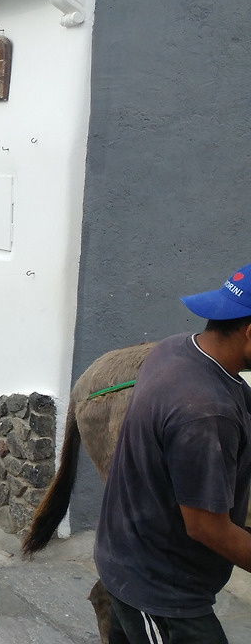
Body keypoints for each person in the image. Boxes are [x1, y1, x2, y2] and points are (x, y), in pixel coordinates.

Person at [94, 262, 251, 643]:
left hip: (125, 557)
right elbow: (206, 527)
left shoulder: (175, 349)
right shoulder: (206, 412)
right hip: (159, 591)